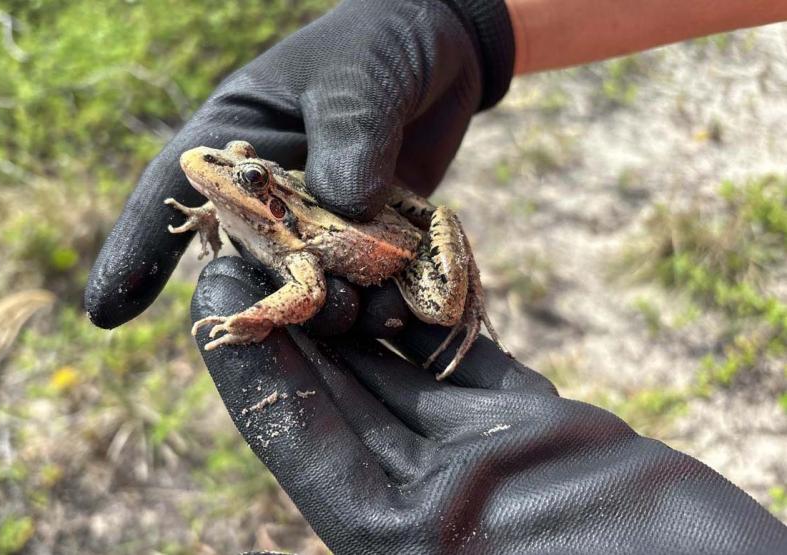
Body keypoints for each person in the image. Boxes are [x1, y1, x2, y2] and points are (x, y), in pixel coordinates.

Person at [85, 0, 787, 552]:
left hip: (390, 256)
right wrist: (474, 15)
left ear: (263, 192)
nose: (218, 171)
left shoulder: (290, 234)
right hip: (332, 215)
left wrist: (254, 317)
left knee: (429, 303)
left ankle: (468, 293)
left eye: (238, 174)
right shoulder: (253, 211)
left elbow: (304, 290)